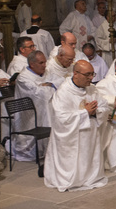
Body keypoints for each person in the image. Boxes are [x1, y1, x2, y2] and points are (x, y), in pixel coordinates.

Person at [44, 60, 107, 192]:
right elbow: (61, 119)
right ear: (75, 73)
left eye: (92, 74)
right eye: (87, 75)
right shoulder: (63, 93)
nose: (91, 78)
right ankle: (73, 179)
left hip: (89, 134)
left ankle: (90, 177)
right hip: (71, 138)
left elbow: (104, 106)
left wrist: (96, 112)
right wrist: (86, 113)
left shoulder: (92, 89)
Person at [11, 51, 56, 165]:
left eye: (45, 62)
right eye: (41, 63)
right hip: (30, 115)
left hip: (44, 109)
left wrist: (50, 85)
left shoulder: (46, 72)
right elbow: (40, 94)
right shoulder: (23, 77)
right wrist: (50, 86)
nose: (44, 65)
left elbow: (58, 81)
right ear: (32, 64)